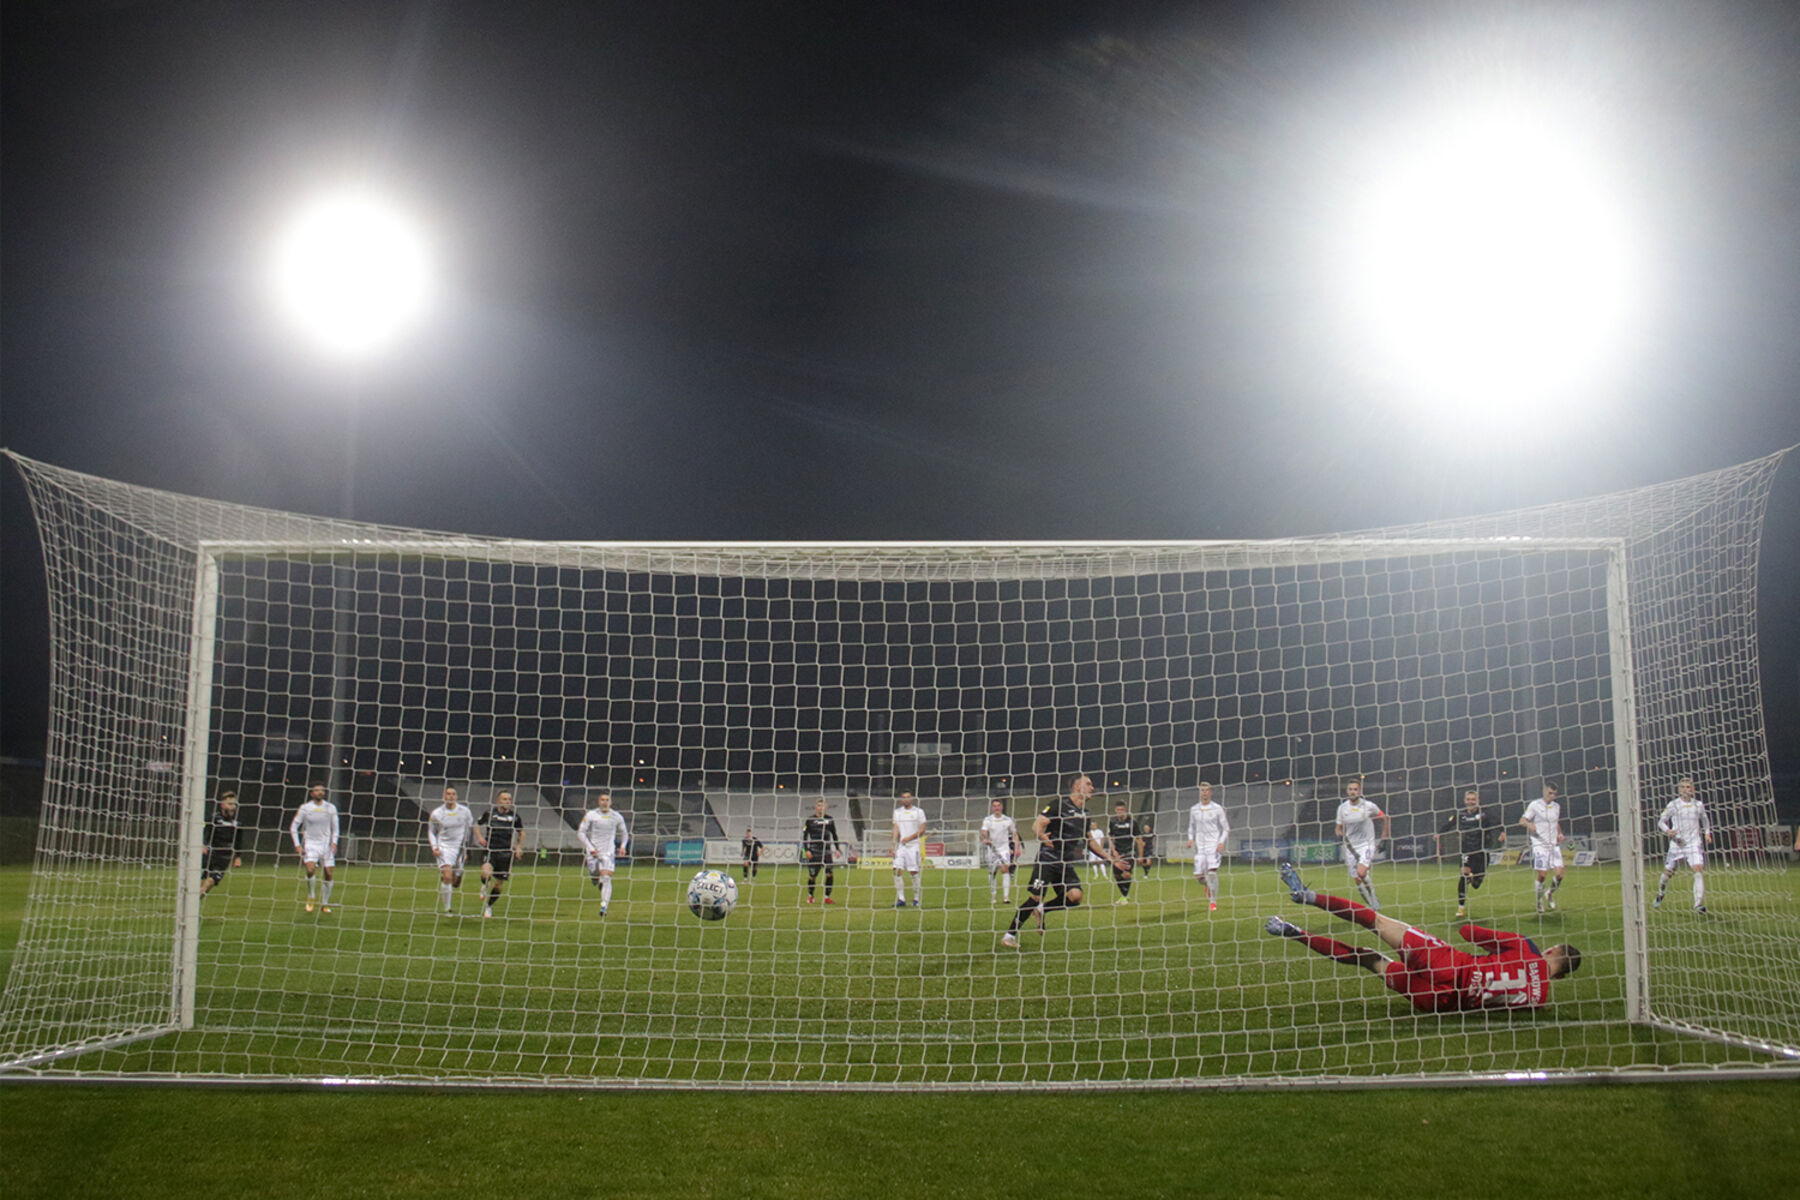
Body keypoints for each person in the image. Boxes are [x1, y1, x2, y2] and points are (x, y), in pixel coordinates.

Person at [1266, 861, 1581, 1012]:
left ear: (1553, 949)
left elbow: (1468, 931)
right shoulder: (1538, 1000)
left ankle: (1308, 897)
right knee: (1369, 959)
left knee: (1374, 920)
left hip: (1447, 963)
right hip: (1439, 1001)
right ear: (1562, 977)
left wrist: (1503, 946)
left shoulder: (1526, 947)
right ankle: (1293, 933)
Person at [1001, 772, 1126, 947]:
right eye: (1088, 784)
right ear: (1077, 787)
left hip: (1065, 863)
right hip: (1048, 859)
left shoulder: (1085, 814)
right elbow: (1037, 825)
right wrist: (1043, 837)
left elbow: (1090, 842)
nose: (1092, 787)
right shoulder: (1058, 804)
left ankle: (1043, 909)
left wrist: (1111, 859)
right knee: (1036, 897)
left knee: (1075, 897)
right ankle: (1009, 936)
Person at [1437, 788, 1501, 917]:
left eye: (1473, 799)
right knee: (1464, 875)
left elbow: (1497, 823)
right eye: (1468, 799)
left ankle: (1475, 878)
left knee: (1476, 884)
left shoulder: (1485, 813)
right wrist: (1439, 833)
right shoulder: (1460, 814)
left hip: (1482, 851)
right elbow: (1449, 824)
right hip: (1467, 850)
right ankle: (1461, 907)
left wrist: (1502, 832)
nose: (1470, 802)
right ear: (1464, 801)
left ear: (1478, 801)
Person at [1654, 777, 1713, 914]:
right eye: (1683, 787)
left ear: (1693, 789)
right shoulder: (1673, 805)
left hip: (1693, 843)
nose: (1685, 790)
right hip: (1677, 844)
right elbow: (1661, 822)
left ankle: (1698, 904)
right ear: (1679, 790)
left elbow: (1705, 821)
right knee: (1668, 874)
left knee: (1698, 870)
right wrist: (1668, 831)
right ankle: (1660, 893)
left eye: (1688, 787)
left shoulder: (1698, 805)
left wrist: (1707, 833)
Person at [1335, 779, 1391, 909]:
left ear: (1360, 791)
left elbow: (1385, 818)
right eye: (1350, 789)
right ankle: (1371, 904)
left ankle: (1374, 900)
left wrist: (1385, 838)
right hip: (1350, 847)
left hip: (1366, 844)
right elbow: (1338, 827)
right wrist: (1339, 834)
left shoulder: (1369, 806)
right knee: (1357, 880)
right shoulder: (1342, 808)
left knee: (1361, 872)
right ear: (1347, 791)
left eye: (1355, 789)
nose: (1353, 792)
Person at [288, 783, 340, 914]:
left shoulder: (330, 807)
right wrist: (297, 845)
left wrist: (334, 842)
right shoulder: (305, 808)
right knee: (310, 870)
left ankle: (325, 903)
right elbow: (293, 827)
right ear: (311, 793)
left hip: (326, 845)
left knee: (328, 873)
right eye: (317, 790)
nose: (320, 792)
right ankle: (311, 896)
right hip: (310, 844)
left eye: (322, 790)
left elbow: (336, 827)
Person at [476, 790, 527, 919]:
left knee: (499, 883)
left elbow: (521, 832)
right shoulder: (489, 814)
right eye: (504, 799)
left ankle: (489, 907)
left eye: (509, 799)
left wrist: (518, 846)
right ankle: (484, 884)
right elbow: (476, 824)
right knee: (486, 872)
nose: (507, 802)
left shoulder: (515, 817)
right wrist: (480, 837)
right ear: (498, 801)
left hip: (505, 853)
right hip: (491, 849)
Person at [577, 791, 629, 916]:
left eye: (607, 800)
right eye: (602, 800)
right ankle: (595, 879)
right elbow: (581, 832)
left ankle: (604, 906)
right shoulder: (591, 814)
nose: (605, 802)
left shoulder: (617, 816)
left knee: (606, 877)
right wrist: (590, 848)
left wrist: (622, 847)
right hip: (593, 852)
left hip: (608, 852)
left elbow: (625, 833)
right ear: (598, 802)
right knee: (596, 875)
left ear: (610, 802)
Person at [427, 786, 476, 916]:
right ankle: (447, 909)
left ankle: (457, 875)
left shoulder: (465, 811)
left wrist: (468, 848)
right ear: (444, 796)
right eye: (448, 794)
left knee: (455, 882)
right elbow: (431, 831)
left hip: (460, 848)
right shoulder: (437, 813)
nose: (451, 796)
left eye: (453, 794)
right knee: (448, 876)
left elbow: (470, 829)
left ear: (457, 797)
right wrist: (434, 847)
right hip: (444, 847)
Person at [1521, 781, 1566, 913]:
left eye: (1554, 794)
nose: (1552, 796)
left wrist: (1560, 833)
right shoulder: (1535, 805)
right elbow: (1522, 820)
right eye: (1550, 793)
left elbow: (1555, 822)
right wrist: (1530, 825)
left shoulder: (1556, 806)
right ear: (1544, 791)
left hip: (1553, 845)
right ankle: (1539, 901)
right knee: (1542, 875)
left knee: (1559, 875)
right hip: (1539, 844)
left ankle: (1549, 894)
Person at [1186, 781, 1230, 912]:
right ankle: (1207, 885)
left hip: (1213, 845)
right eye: (1202, 790)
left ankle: (1213, 902)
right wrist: (1190, 839)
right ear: (1199, 793)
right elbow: (1191, 826)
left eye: (1206, 790)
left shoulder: (1217, 808)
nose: (1204, 793)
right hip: (1201, 847)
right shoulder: (1194, 809)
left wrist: (1221, 841)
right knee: (1199, 876)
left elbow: (1226, 828)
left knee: (1211, 872)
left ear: (1210, 792)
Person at [199, 789, 244, 898]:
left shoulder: (237, 824)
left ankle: (192, 906)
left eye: (234, 804)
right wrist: (203, 844)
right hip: (209, 855)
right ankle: (191, 908)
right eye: (230, 804)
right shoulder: (214, 819)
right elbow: (205, 831)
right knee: (198, 882)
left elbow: (238, 841)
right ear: (222, 805)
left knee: (210, 883)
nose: (233, 807)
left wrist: (238, 857)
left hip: (223, 859)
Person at [979, 798, 1022, 905]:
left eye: (998, 805)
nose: (996, 808)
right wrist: (985, 838)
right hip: (992, 849)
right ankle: (993, 894)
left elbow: (1014, 833)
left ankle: (1006, 897)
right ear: (992, 808)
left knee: (1005, 869)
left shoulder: (1008, 820)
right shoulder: (988, 820)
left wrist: (1017, 846)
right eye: (994, 806)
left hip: (1004, 849)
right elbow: (984, 831)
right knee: (992, 872)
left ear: (1001, 807)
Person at [891, 792, 927, 907]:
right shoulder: (897, 812)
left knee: (913, 872)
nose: (906, 799)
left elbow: (922, 830)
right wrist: (893, 844)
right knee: (896, 869)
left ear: (911, 798)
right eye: (903, 798)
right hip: (901, 846)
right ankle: (901, 899)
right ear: (901, 799)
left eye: (908, 797)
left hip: (914, 846)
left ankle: (916, 899)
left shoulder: (919, 812)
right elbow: (896, 828)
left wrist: (909, 838)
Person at [802, 799, 841, 905]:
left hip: (827, 851)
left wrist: (837, 849)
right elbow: (805, 837)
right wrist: (806, 850)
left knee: (829, 874)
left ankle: (827, 897)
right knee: (812, 876)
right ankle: (811, 896)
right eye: (819, 805)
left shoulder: (830, 820)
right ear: (816, 807)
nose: (820, 807)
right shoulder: (810, 820)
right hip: (814, 851)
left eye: (822, 806)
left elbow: (834, 835)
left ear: (826, 807)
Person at [1107, 800, 1144, 904]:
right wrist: (1113, 851)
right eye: (1118, 810)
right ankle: (1124, 895)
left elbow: (1139, 839)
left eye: (1122, 810)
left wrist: (1141, 855)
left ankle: (1124, 896)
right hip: (1117, 853)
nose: (1120, 812)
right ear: (1115, 811)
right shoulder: (1113, 821)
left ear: (1126, 810)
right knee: (1117, 875)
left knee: (1126, 874)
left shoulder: (1132, 822)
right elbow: (1110, 837)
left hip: (1129, 851)